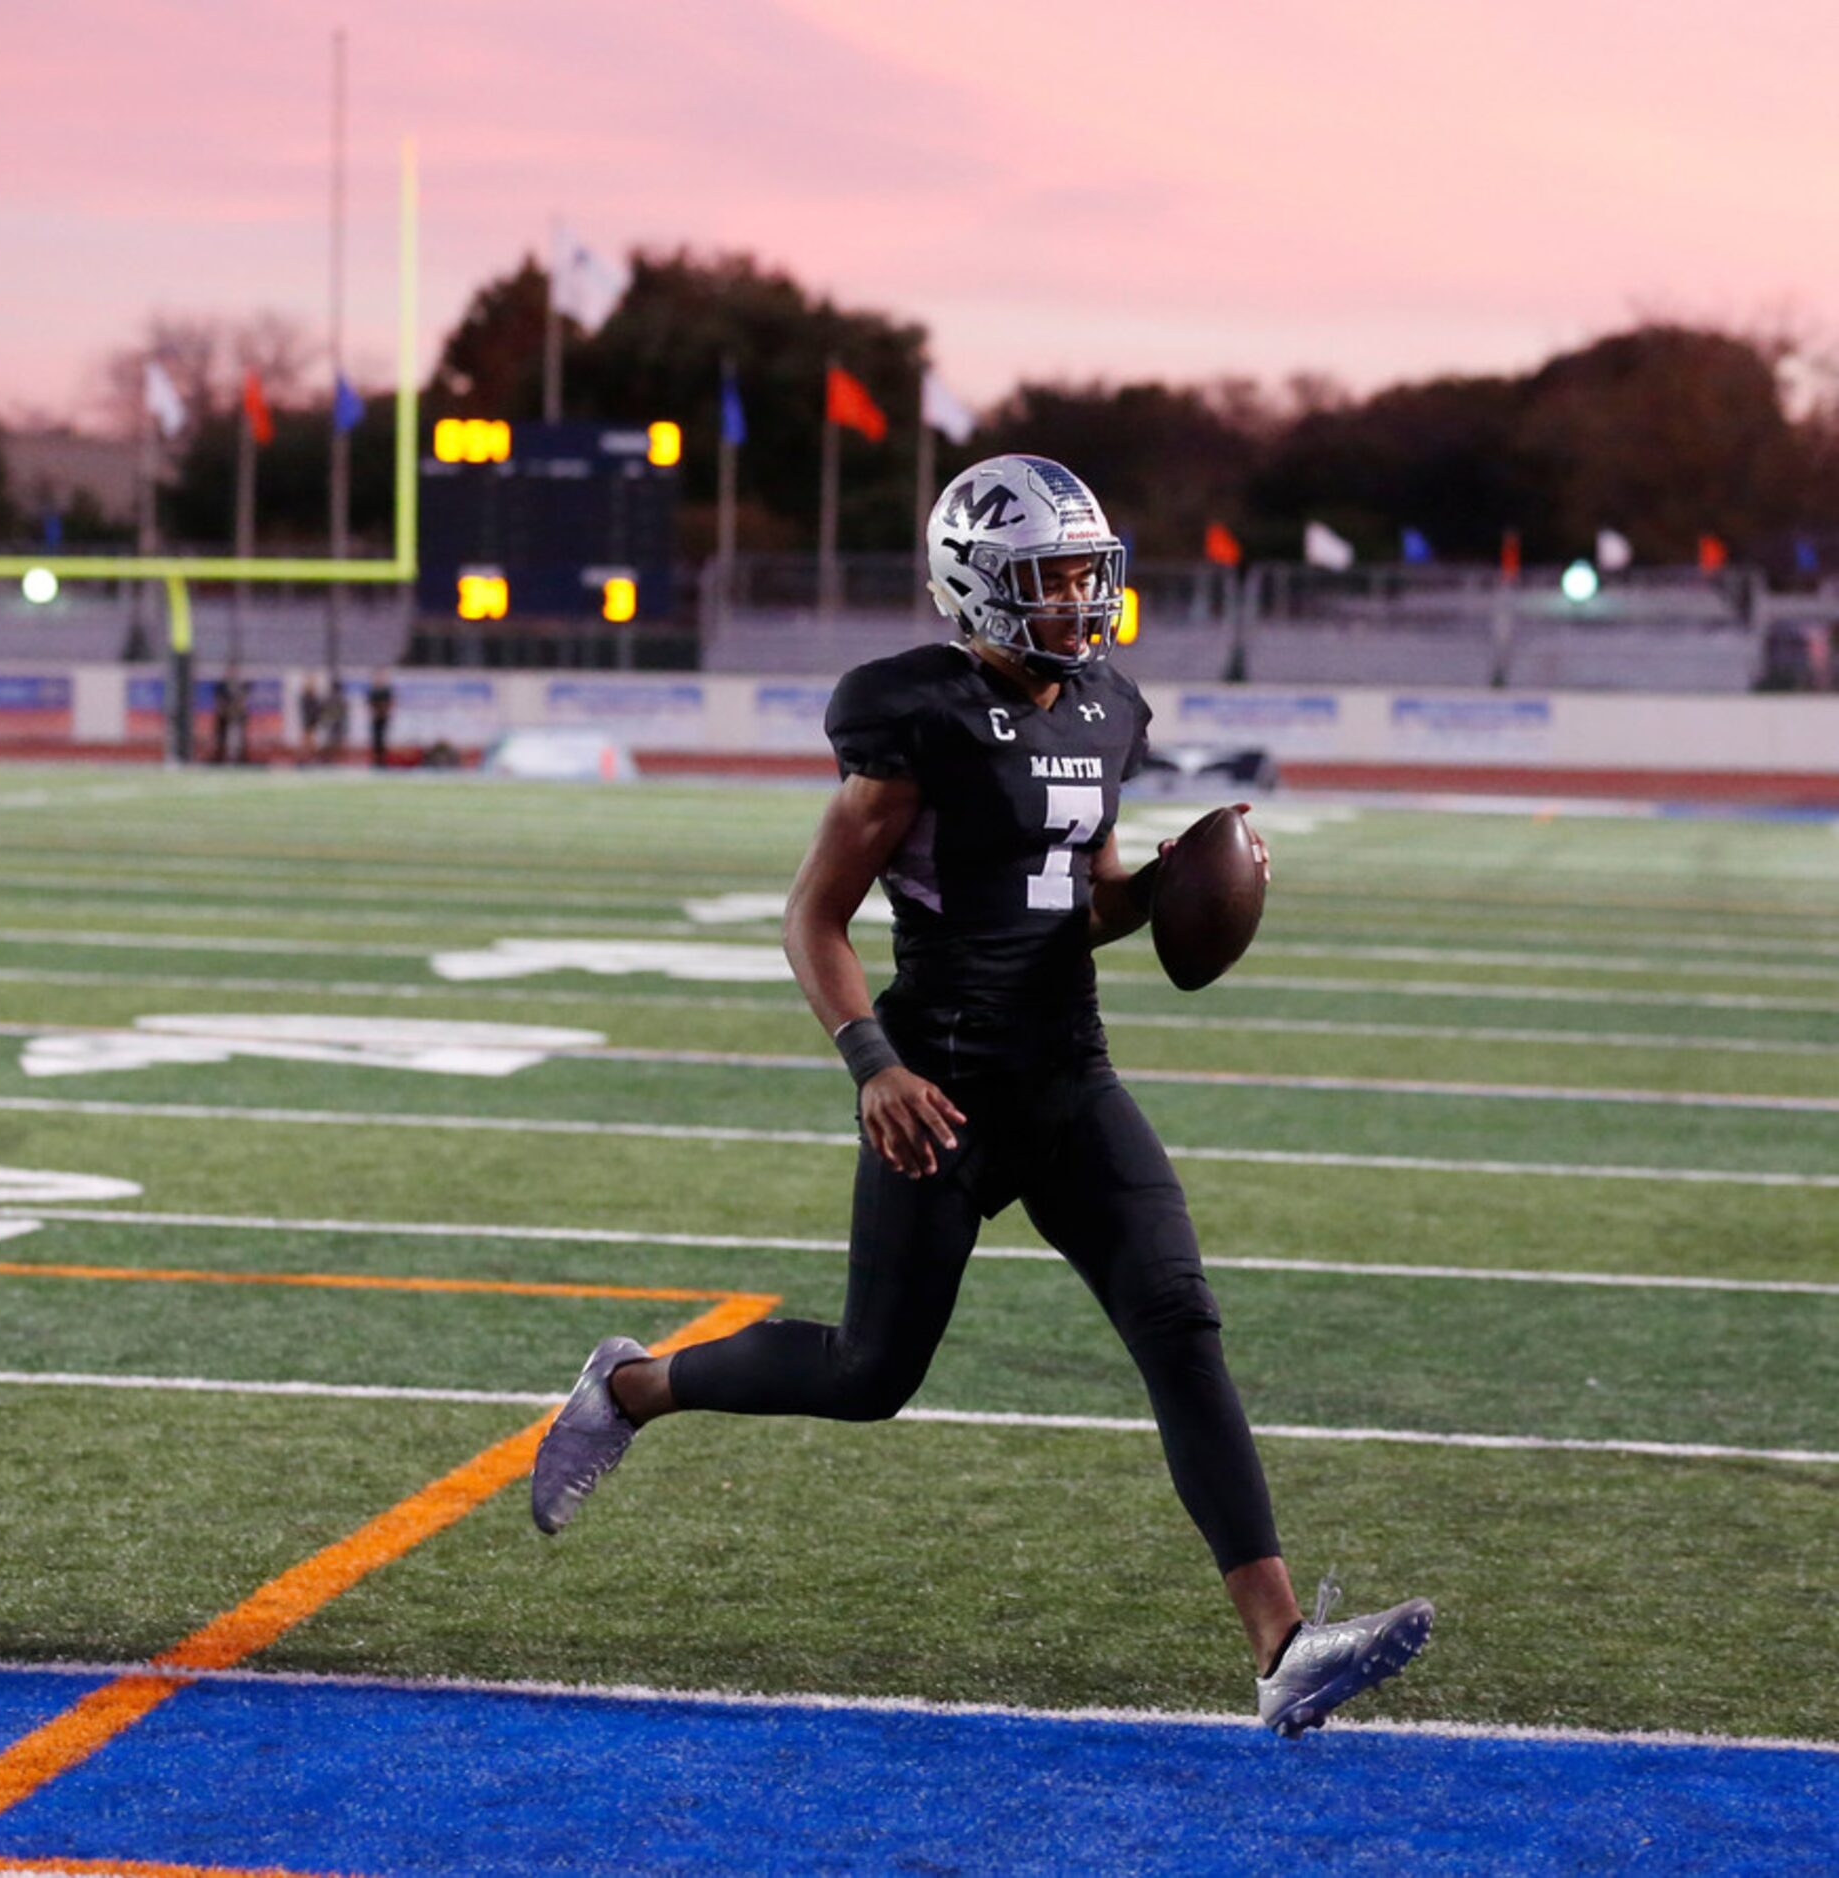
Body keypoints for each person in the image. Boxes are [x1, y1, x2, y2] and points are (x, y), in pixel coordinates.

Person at [531, 454, 1432, 1737]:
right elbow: (813, 916)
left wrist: (1185, 876)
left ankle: (1280, 1647)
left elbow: (1090, 895)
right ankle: (626, 1390)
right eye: (1047, 577)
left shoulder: (1106, 707)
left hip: (1068, 1074)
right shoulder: (919, 720)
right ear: (975, 585)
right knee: (866, 1372)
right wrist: (871, 1065)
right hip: (938, 1083)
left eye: (1083, 573)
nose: (1076, 599)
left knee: (1177, 1319)